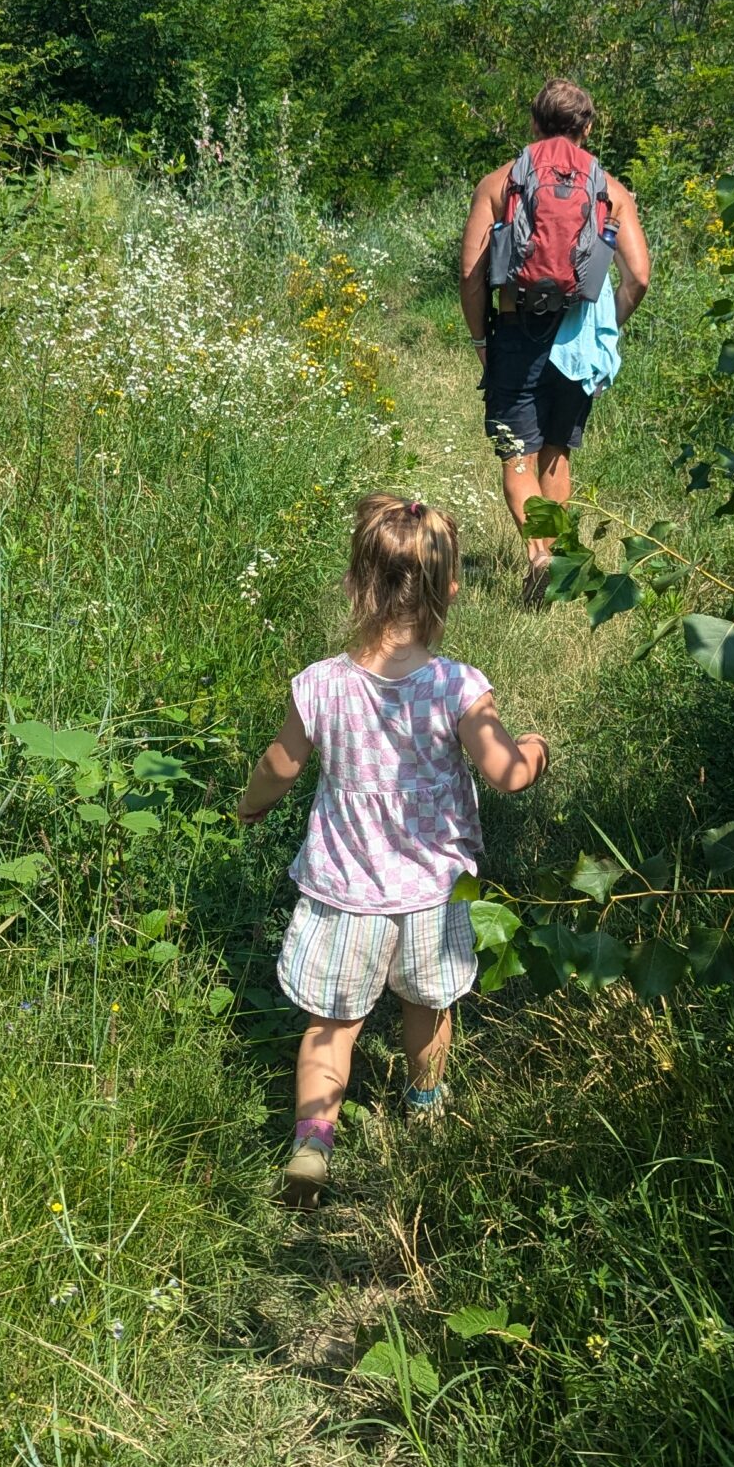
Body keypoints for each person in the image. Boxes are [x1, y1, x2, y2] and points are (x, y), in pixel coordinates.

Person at [236, 492, 550, 1206]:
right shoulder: (457, 687)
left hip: (344, 890)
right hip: (432, 895)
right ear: (451, 589)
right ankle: (425, 1107)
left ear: (353, 583)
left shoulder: (319, 685)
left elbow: (279, 768)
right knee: (428, 1006)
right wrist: (537, 749)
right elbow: (507, 773)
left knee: (333, 1024)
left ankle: (313, 1144)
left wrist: (251, 806)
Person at [459, 77, 651, 603]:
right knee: (558, 455)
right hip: (577, 334)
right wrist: (607, 324)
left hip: (515, 332)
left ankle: (538, 553)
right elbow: (639, 275)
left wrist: (481, 340)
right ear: (587, 127)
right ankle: (556, 564)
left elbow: (471, 274)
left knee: (516, 455)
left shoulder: (499, 182)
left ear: (533, 122)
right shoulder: (609, 187)